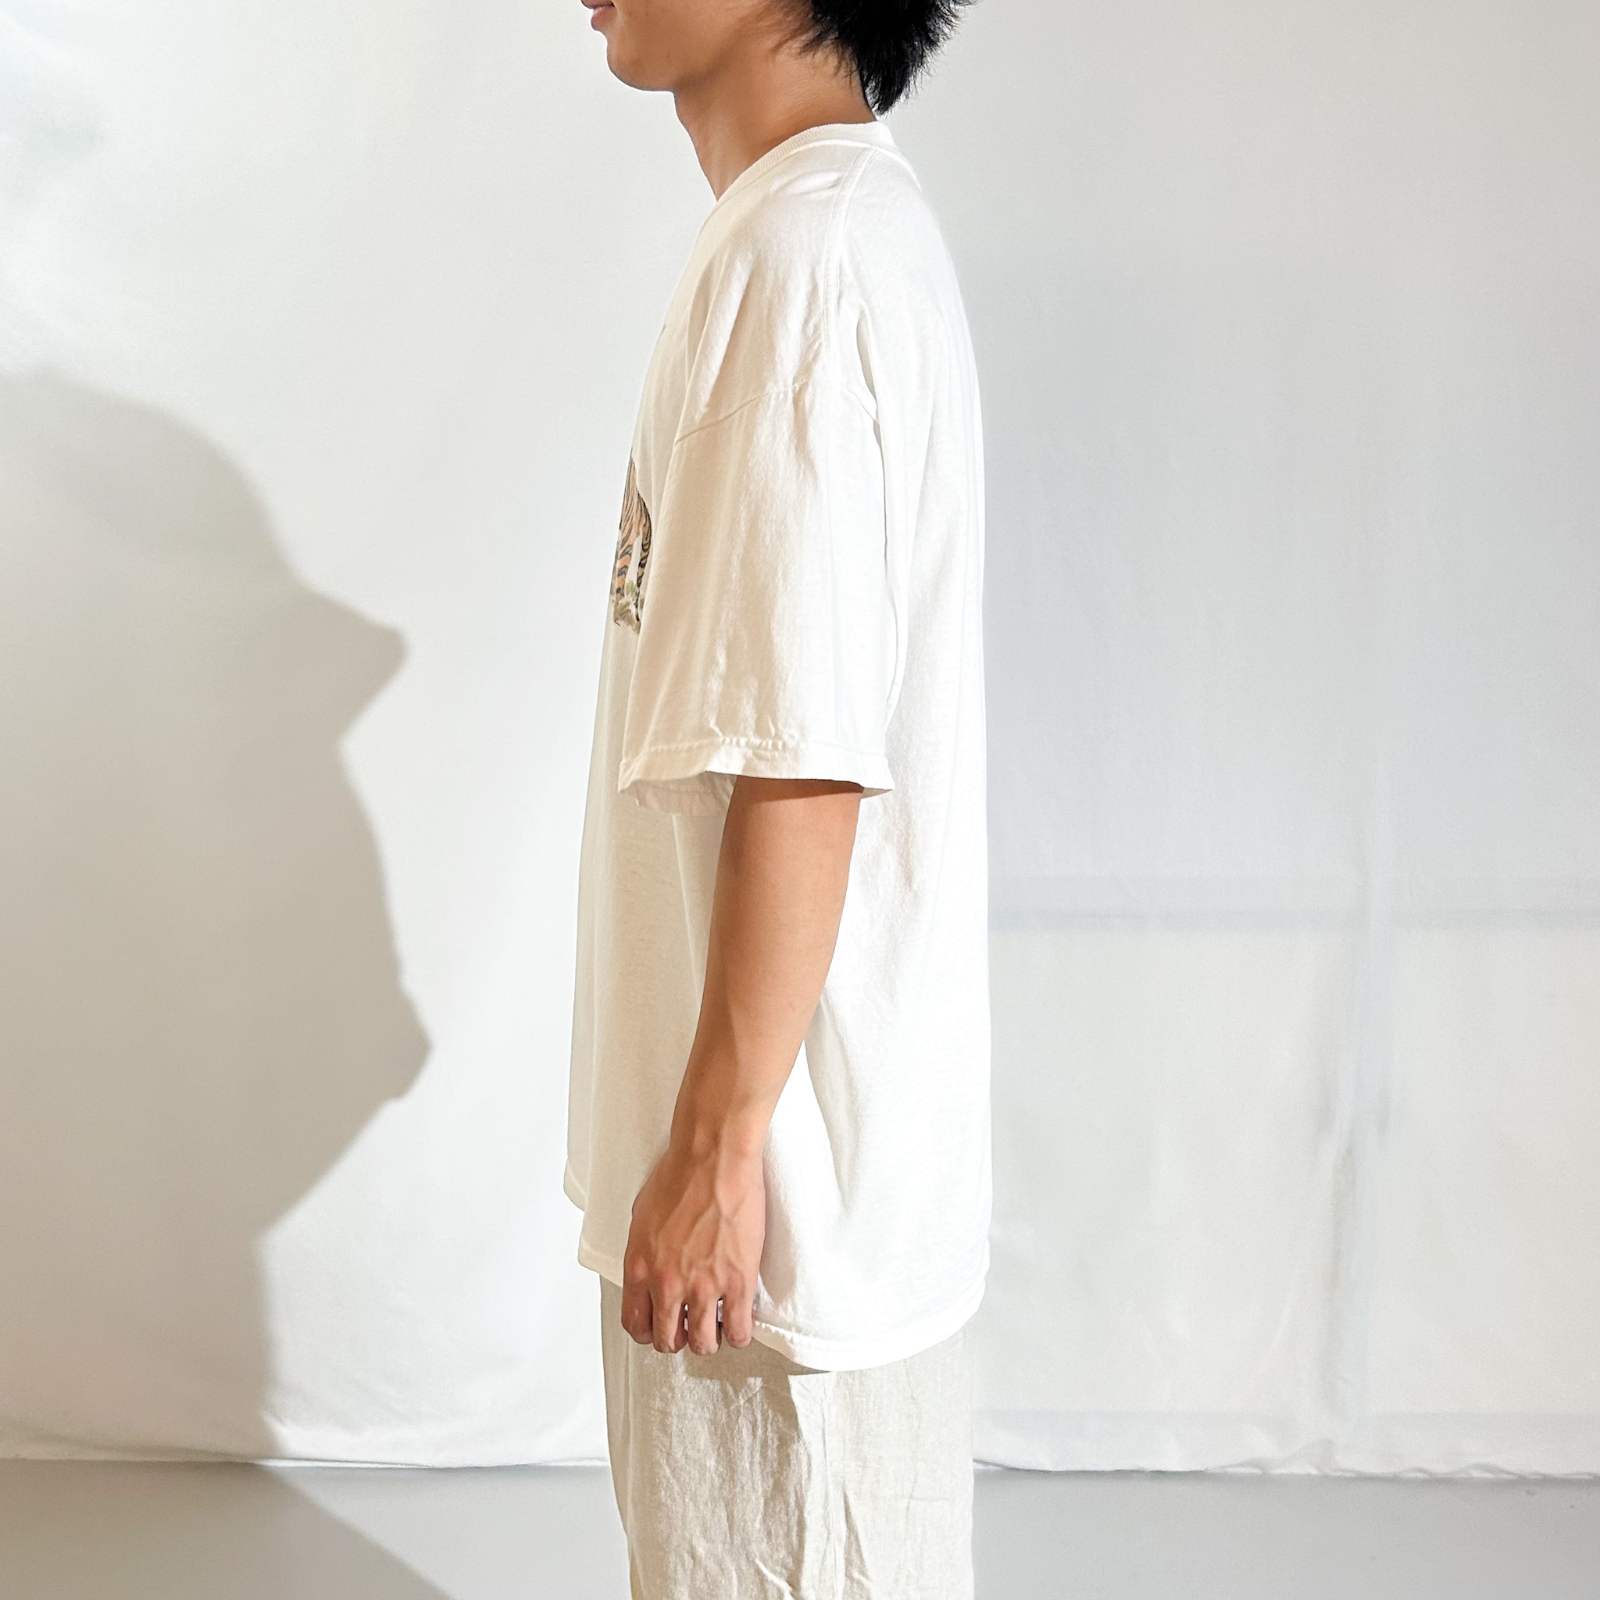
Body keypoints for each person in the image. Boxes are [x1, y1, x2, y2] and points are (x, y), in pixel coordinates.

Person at [564, 1, 990, 1593]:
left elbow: (804, 750)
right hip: (798, 1201)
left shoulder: (803, 264)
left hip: (774, 1230)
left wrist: (717, 1147)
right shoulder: (826, 230)